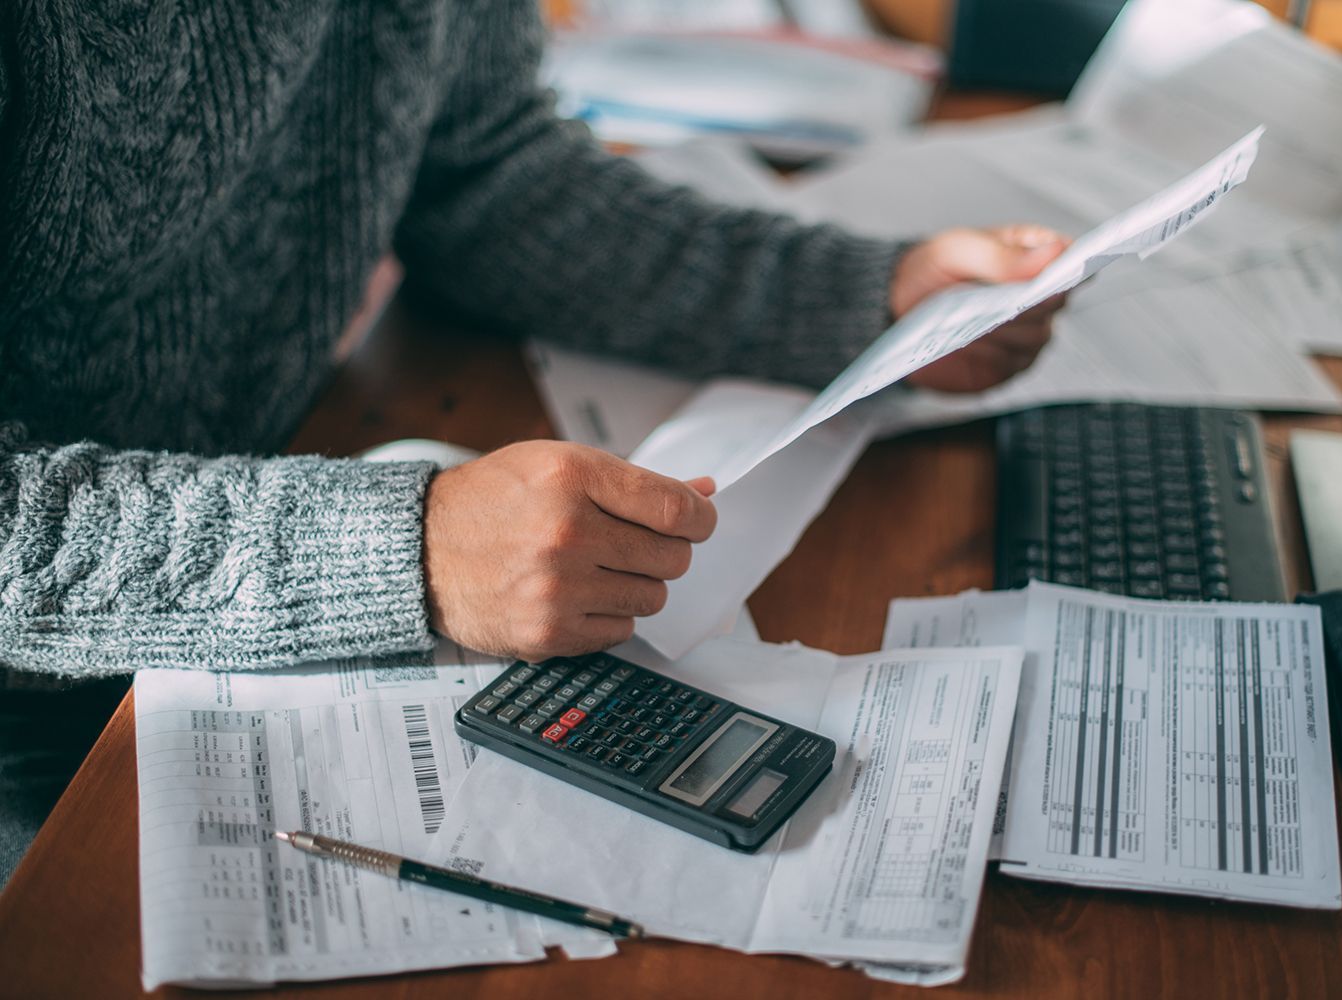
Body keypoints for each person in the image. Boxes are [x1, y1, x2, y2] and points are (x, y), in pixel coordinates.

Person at [0, 0, 1066, 885]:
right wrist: (405, 551)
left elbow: (486, 173)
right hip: (46, 723)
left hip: (284, 507)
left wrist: (863, 298)